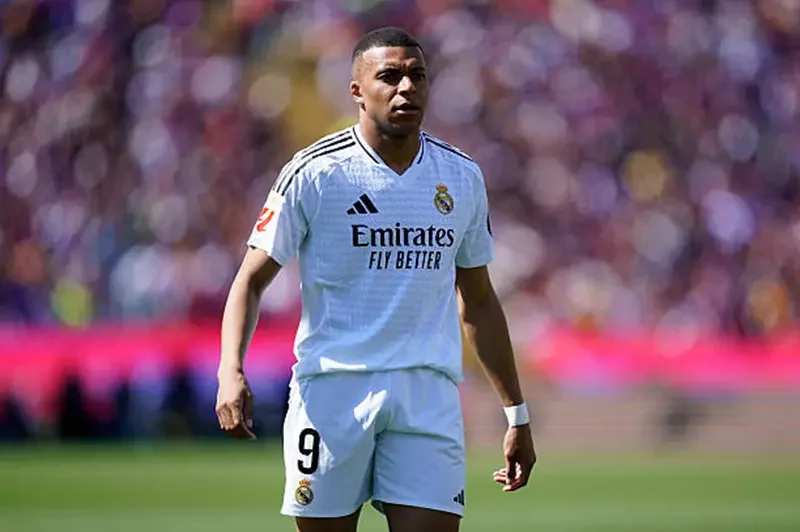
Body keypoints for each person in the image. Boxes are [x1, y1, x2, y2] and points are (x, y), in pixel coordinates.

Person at [215, 26, 536, 532]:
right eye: (389, 76)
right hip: (333, 393)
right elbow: (250, 281)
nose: (406, 87)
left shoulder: (461, 176)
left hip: (426, 395)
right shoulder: (315, 173)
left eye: (417, 76)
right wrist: (230, 371)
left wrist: (516, 413)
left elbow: (478, 300)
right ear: (357, 91)